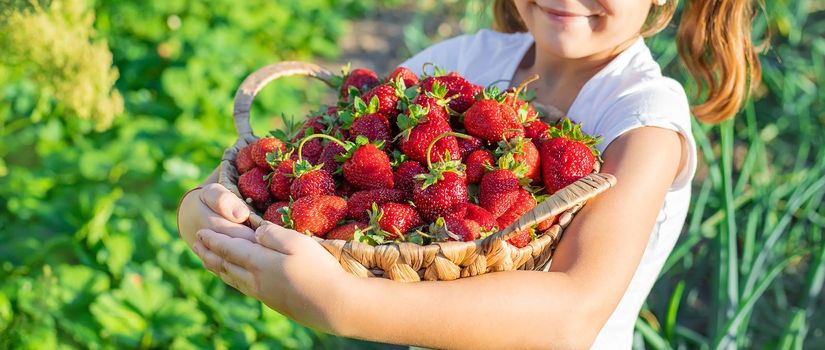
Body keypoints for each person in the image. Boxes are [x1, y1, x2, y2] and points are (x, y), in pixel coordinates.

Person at [177, 0, 761, 348]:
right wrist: (210, 209)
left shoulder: (643, 119)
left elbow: (573, 314)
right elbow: (333, 153)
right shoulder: (466, 63)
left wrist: (343, 302)